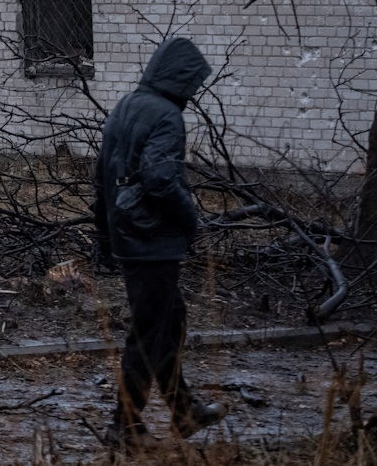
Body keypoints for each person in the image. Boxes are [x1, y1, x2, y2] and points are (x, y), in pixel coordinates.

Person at [94, 36, 228, 450]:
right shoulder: (167, 115)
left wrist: (104, 237)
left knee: (169, 325)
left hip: (128, 236)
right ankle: (125, 429)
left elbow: (101, 176)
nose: (194, 91)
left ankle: (184, 412)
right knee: (150, 333)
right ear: (182, 79)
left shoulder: (126, 105)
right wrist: (191, 220)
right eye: (194, 83)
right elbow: (159, 179)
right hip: (152, 241)